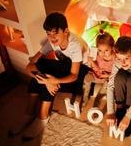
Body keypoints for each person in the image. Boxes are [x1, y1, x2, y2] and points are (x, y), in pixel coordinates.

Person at [8, 12, 88, 140]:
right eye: (48, 33)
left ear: (66, 31)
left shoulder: (74, 45)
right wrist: (45, 80)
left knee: (48, 75)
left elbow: (74, 75)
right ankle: (29, 113)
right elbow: (32, 62)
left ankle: (43, 116)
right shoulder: (51, 42)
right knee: (41, 68)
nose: (52, 37)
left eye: (55, 32)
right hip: (65, 66)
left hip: (79, 74)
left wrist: (52, 80)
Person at [106, 36, 131, 137]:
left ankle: (128, 110)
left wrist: (129, 116)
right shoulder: (117, 62)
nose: (123, 62)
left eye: (126, 58)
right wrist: (110, 112)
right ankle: (120, 107)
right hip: (123, 80)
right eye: (120, 59)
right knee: (119, 76)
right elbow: (110, 86)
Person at [82, 29, 115, 107]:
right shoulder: (96, 54)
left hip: (107, 78)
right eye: (100, 50)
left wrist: (107, 75)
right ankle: (85, 98)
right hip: (95, 75)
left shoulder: (115, 58)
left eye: (106, 50)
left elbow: (116, 73)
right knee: (87, 78)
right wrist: (92, 62)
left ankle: (98, 99)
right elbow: (92, 66)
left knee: (109, 83)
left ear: (112, 48)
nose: (103, 53)